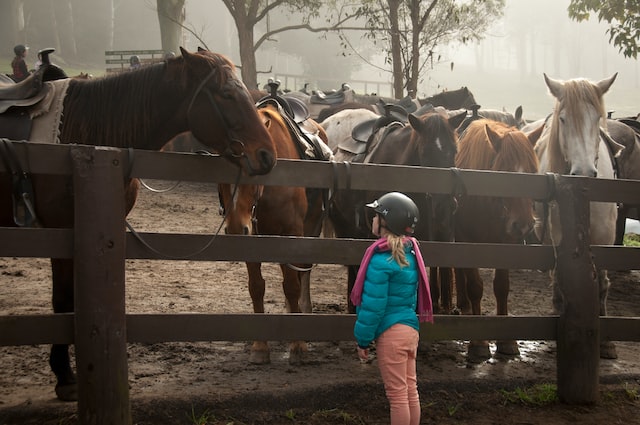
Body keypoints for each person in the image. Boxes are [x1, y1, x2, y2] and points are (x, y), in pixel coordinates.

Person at [351, 191, 433, 425]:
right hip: (410, 330)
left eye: (376, 215)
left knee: (397, 397)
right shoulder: (410, 255)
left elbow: (373, 308)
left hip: (391, 333)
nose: (373, 219)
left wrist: (363, 341)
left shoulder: (380, 260)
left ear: (386, 222)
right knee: (410, 390)